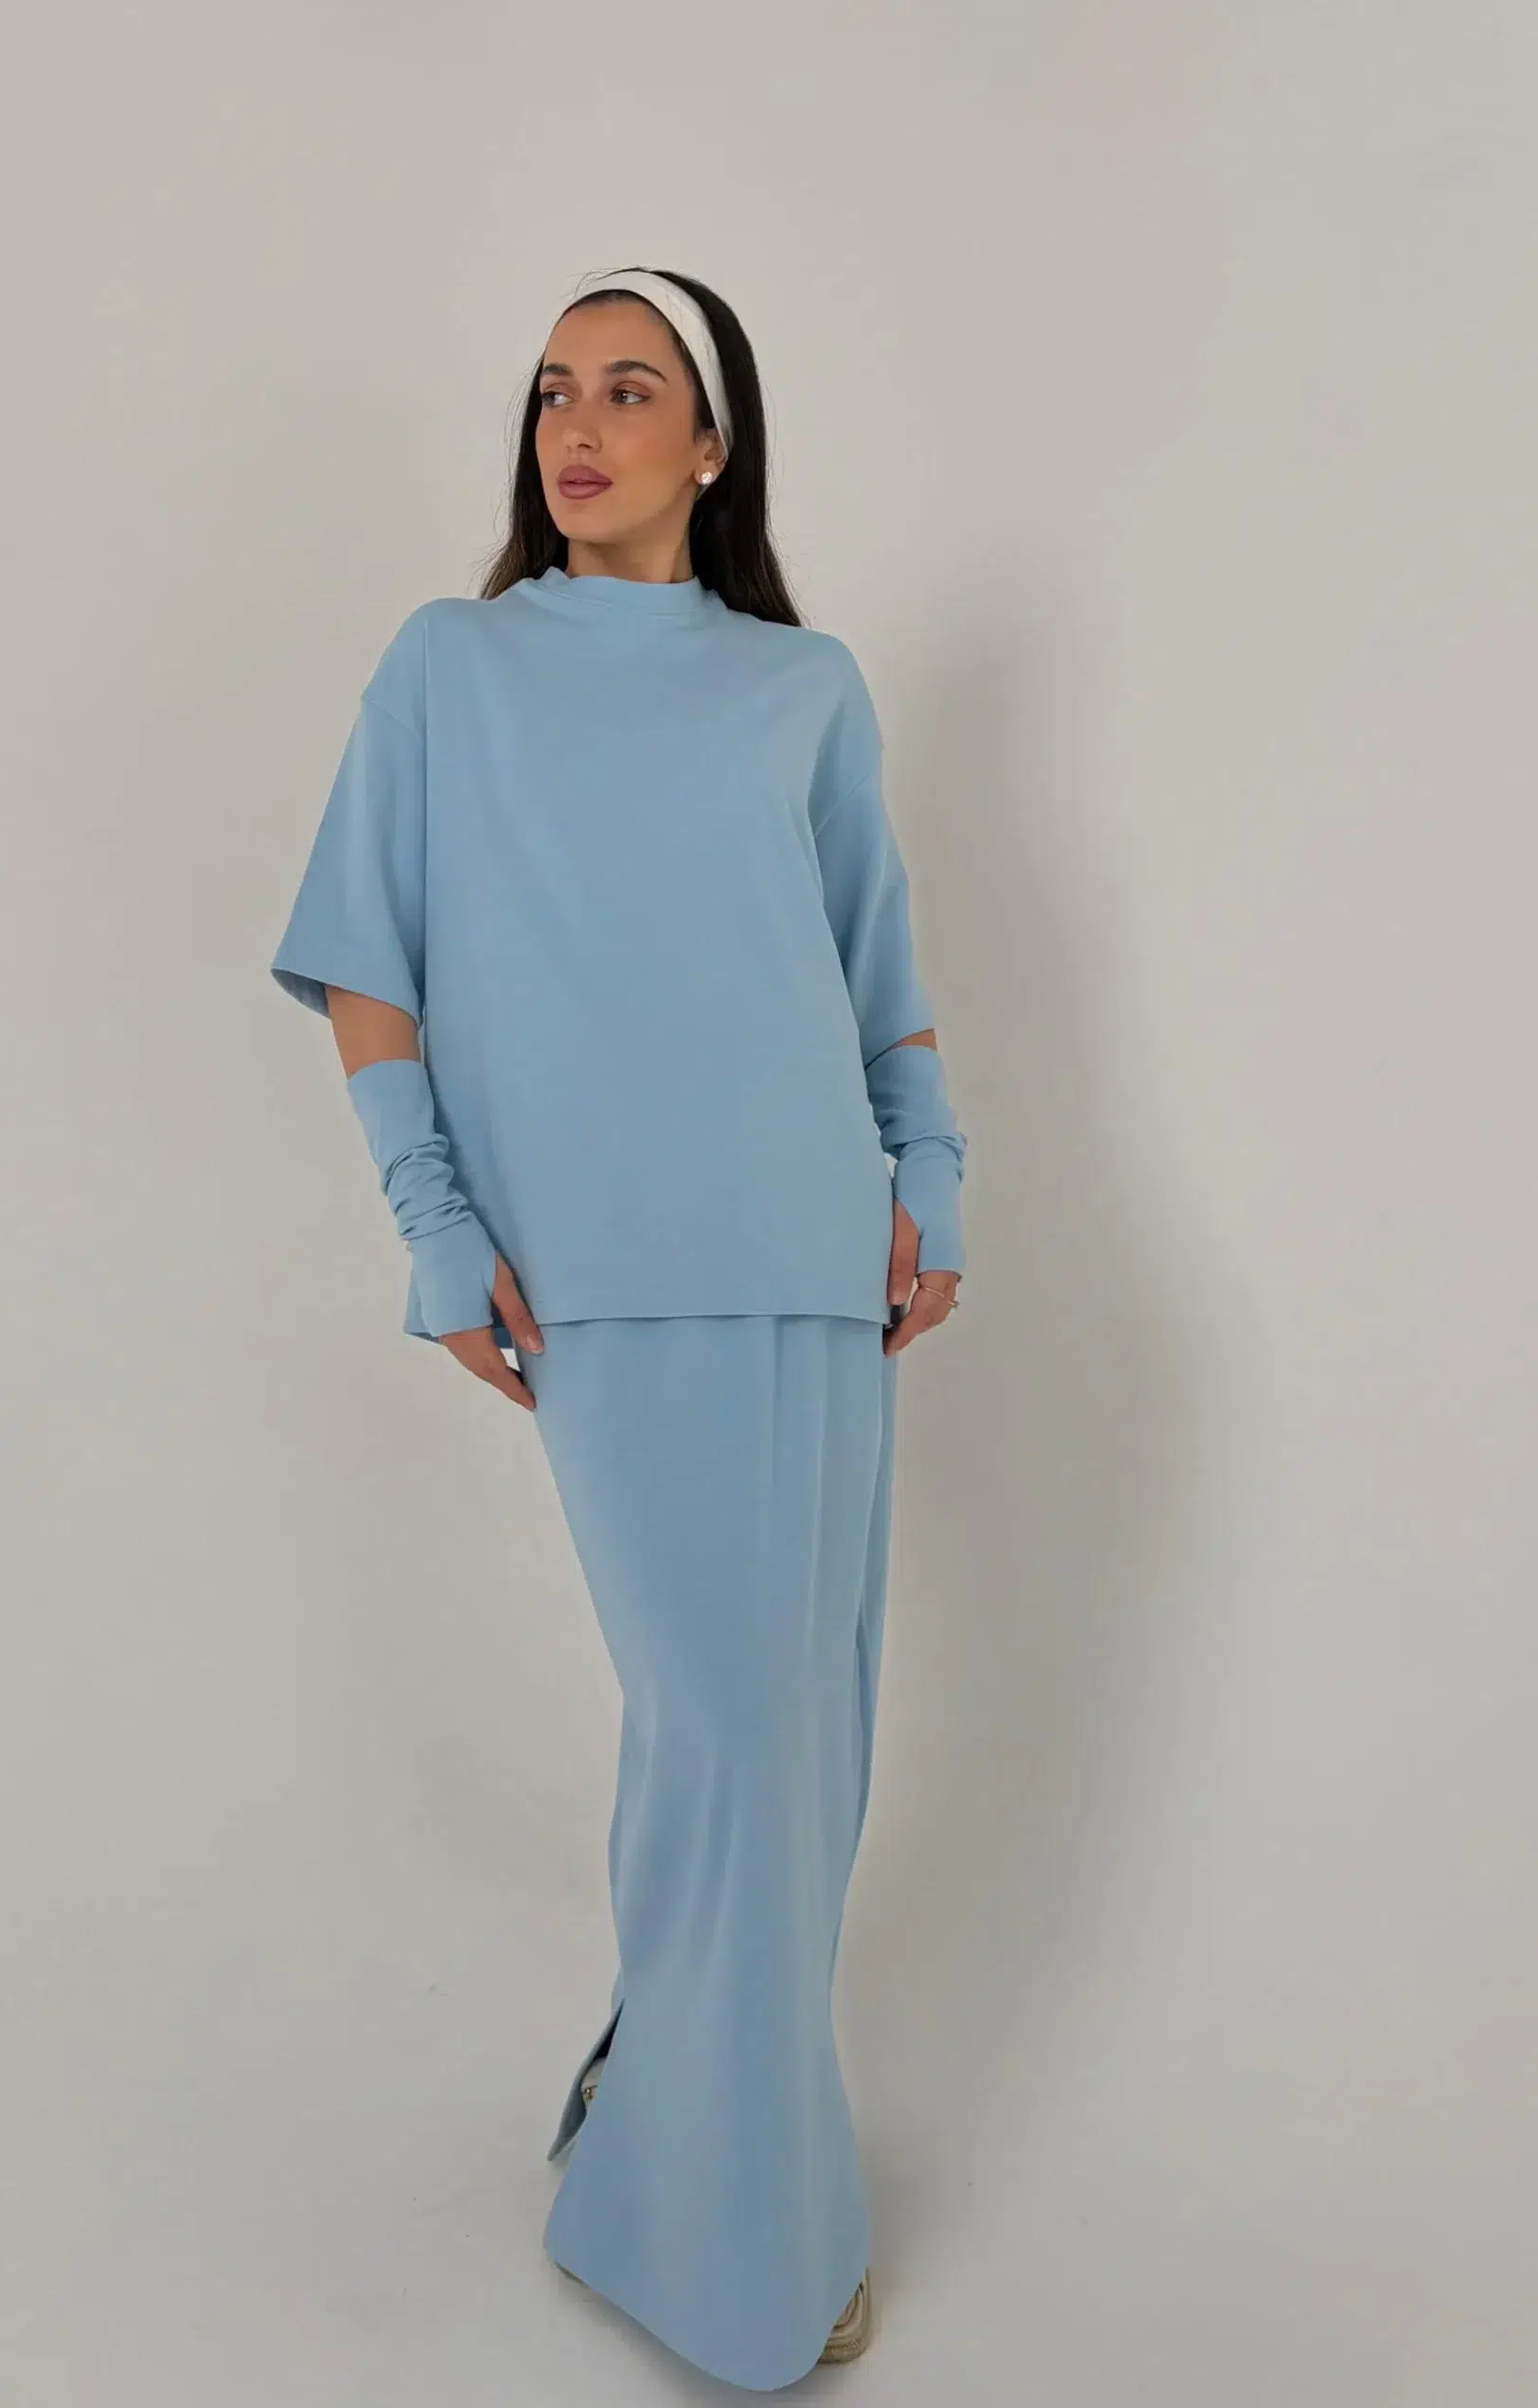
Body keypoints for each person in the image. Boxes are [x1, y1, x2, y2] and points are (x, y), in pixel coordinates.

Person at [268, 264, 967, 2391]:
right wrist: (433, 1224)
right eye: (555, 390)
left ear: (712, 444)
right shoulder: (451, 663)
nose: (577, 426)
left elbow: (875, 975)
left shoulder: (803, 685)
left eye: (630, 389)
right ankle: (728, 2241)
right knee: (727, 1736)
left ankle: (671, 2096)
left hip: (817, 1262)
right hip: (604, 1279)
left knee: (804, 1755)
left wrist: (932, 1185)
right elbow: (367, 968)